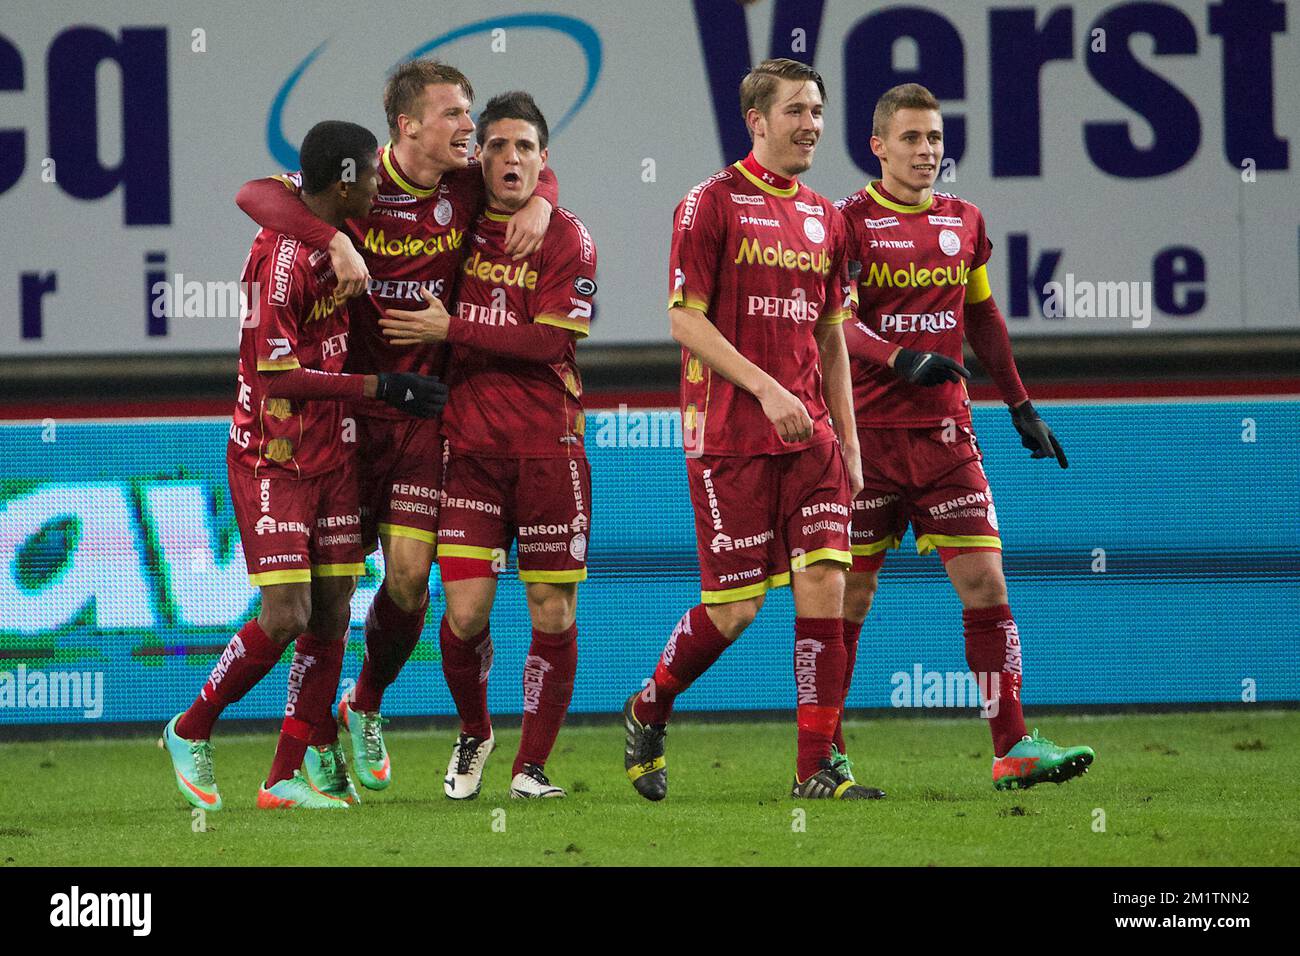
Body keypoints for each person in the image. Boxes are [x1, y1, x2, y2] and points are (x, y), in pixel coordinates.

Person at [234, 60, 559, 793]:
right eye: (452, 114)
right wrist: (335, 238)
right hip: (345, 415)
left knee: (410, 580)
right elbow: (252, 192)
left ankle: (367, 703)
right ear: (407, 126)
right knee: (331, 598)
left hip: (419, 416)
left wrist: (546, 200)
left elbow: (530, 167)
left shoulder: (465, 185)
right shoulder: (355, 184)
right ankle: (310, 747)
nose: (469, 130)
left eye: (469, 113)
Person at [162, 120, 447, 810]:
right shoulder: (280, 261)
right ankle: (189, 726)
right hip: (273, 455)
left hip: (334, 448)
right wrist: (381, 388)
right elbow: (278, 376)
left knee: (330, 610)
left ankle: (282, 777)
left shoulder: (327, 219)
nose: (380, 188)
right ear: (344, 181)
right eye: (370, 179)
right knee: (285, 612)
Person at [621, 59, 885, 802]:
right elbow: (681, 319)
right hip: (732, 437)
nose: (812, 125)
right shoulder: (709, 204)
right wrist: (766, 389)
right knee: (735, 610)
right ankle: (650, 705)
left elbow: (833, 338)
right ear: (757, 121)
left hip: (815, 442)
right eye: (797, 110)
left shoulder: (828, 218)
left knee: (827, 586)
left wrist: (852, 449)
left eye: (818, 111)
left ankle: (815, 771)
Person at [835, 83, 1094, 790]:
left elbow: (983, 318)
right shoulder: (846, 224)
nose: (926, 151)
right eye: (912, 139)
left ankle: (1011, 746)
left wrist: (1019, 404)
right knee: (849, 598)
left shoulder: (964, 221)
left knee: (985, 582)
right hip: (864, 441)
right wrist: (898, 358)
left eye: (936, 139)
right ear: (878, 146)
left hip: (947, 438)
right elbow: (839, 325)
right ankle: (823, 752)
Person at [381, 92, 596, 800]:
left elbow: (550, 341)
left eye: (525, 148)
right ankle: (475, 729)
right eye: (496, 145)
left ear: (544, 158)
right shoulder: (464, 207)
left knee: (551, 611)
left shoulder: (570, 238)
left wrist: (453, 331)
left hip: (549, 453)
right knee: (467, 612)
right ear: (481, 157)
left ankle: (531, 768)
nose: (509, 158)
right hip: (468, 450)